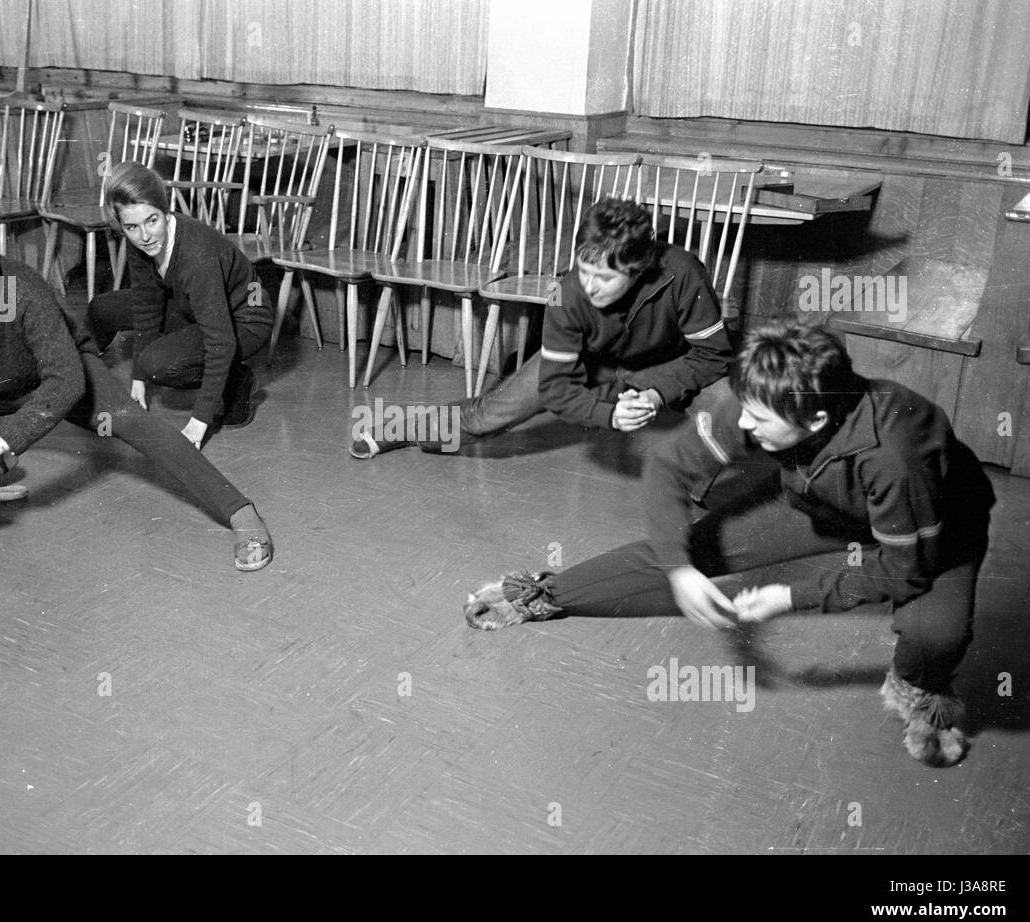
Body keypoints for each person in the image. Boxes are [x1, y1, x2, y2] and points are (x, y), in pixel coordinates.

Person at [463, 321, 994, 768]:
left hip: (936, 530)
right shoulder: (769, 393)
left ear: (814, 419)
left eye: (758, 421)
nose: (742, 424)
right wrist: (679, 568)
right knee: (689, 548)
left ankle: (923, 697)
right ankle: (538, 595)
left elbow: (901, 570)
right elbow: (670, 464)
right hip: (820, 503)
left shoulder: (898, 459)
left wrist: (790, 597)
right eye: (745, 408)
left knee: (936, 634)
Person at [0, 199, 273, 571]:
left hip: (56, 378)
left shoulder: (21, 285)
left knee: (131, 419)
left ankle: (240, 512)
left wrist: (1, 440)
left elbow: (65, 379)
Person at [349, 196, 733, 458]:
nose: (589, 285)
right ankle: (407, 427)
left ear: (640, 267)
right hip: (592, 363)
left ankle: (689, 506)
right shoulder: (566, 293)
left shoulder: (682, 272)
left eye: (603, 276)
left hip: (667, 366)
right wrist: (610, 416)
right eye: (584, 270)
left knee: (727, 404)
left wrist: (656, 392)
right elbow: (554, 387)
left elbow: (715, 354)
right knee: (486, 416)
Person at [86, 162, 273, 449]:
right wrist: (138, 380)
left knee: (158, 365)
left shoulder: (198, 257)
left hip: (245, 320)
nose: (145, 236)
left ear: (166, 210)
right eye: (132, 227)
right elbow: (146, 305)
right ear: (122, 226)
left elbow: (220, 340)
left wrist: (199, 422)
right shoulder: (141, 241)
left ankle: (236, 381)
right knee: (103, 308)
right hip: (194, 305)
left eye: (152, 221)